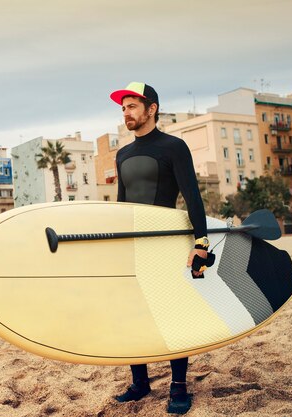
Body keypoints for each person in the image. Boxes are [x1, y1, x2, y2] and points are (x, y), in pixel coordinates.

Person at [109, 82, 211, 415]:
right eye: (123, 107)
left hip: (166, 244)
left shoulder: (173, 147)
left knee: (170, 314)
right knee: (131, 314)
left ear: (151, 108)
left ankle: (179, 386)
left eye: (132, 106)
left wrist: (201, 243)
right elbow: (122, 206)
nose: (126, 112)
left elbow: (192, 197)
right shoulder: (122, 154)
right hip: (134, 246)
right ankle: (140, 383)